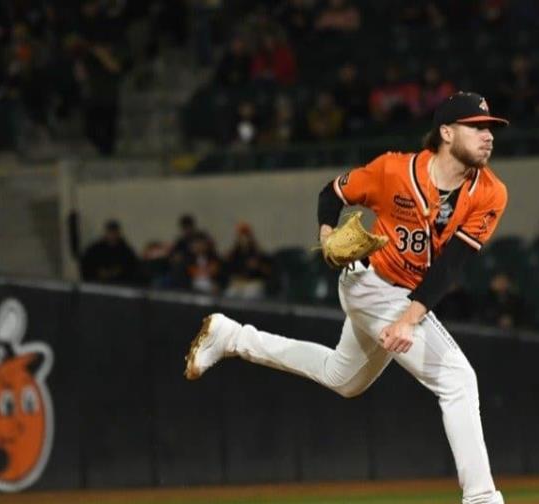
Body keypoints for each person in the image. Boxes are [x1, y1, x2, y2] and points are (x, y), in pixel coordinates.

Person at [185, 91, 510, 504]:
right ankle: (481, 498)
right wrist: (326, 234)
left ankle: (232, 337)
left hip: (402, 296)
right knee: (457, 379)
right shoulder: (393, 170)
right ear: (446, 133)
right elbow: (332, 194)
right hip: (370, 283)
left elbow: (450, 266)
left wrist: (407, 319)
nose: (488, 136)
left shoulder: (490, 192)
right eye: (476, 127)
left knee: (343, 378)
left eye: (490, 128)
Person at [79, 219, 141, 285]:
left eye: (114, 232)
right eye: (110, 232)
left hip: (119, 286)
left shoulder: (126, 251)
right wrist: (98, 272)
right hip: (97, 285)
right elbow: (86, 264)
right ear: (106, 232)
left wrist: (117, 272)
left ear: (118, 233)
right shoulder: (95, 249)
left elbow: (132, 268)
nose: (112, 235)